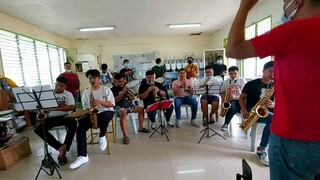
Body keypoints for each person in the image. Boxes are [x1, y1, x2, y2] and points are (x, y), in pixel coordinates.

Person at [227, 0, 320, 178]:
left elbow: (233, 49)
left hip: (294, 137)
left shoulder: (293, 31)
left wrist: (245, 6)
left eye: (285, 1)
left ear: (297, 2)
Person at [69, 69, 115, 170]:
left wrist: (100, 102)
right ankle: (83, 156)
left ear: (99, 78)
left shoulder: (106, 90)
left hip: (106, 112)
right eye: (90, 78)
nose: (92, 80)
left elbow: (112, 104)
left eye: (94, 78)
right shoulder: (86, 92)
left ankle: (102, 135)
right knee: (80, 128)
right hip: (92, 114)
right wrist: (87, 111)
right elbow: (85, 107)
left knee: (104, 117)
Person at [34, 76, 76, 166]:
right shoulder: (47, 94)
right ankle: (60, 147)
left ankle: (65, 147)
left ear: (65, 87)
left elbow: (71, 107)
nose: (58, 87)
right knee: (37, 129)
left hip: (65, 116)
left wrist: (53, 109)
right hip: (50, 118)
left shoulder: (68, 94)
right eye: (56, 85)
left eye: (61, 86)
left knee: (73, 123)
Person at [238, 61, 274, 166]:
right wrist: (244, 110)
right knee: (275, 119)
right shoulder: (251, 84)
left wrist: (274, 104)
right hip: (253, 112)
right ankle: (262, 149)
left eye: (275, 72)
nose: (272, 74)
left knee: (278, 118)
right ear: (263, 70)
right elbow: (241, 98)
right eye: (270, 71)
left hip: (270, 112)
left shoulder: (277, 85)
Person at [111, 73, 150, 144]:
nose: (121, 83)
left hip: (128, 105)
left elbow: (133, 98)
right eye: (119, 82)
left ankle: (141, 127)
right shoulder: (112, 90)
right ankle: (125, 136)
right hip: (118, 107)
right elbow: (115, 100)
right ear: (115, 81)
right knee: (123, 113)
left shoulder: (127, 88)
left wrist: (130, 95)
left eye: (123, 81)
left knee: (141, 109)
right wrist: (123, 93)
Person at [220, 66, 247, 131]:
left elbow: (245, 94)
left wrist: (235, 97)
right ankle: (226, 123)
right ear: (228, 74)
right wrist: (223, 101)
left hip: (242, 99)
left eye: (235, 73)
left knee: (233, 109)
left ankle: (247, 125)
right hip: (231, 100)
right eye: (231, 74)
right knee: (232, 108)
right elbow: (223, 92)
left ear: (238, 73)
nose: (233, 75)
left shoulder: (242, 81)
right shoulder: (226, 81)